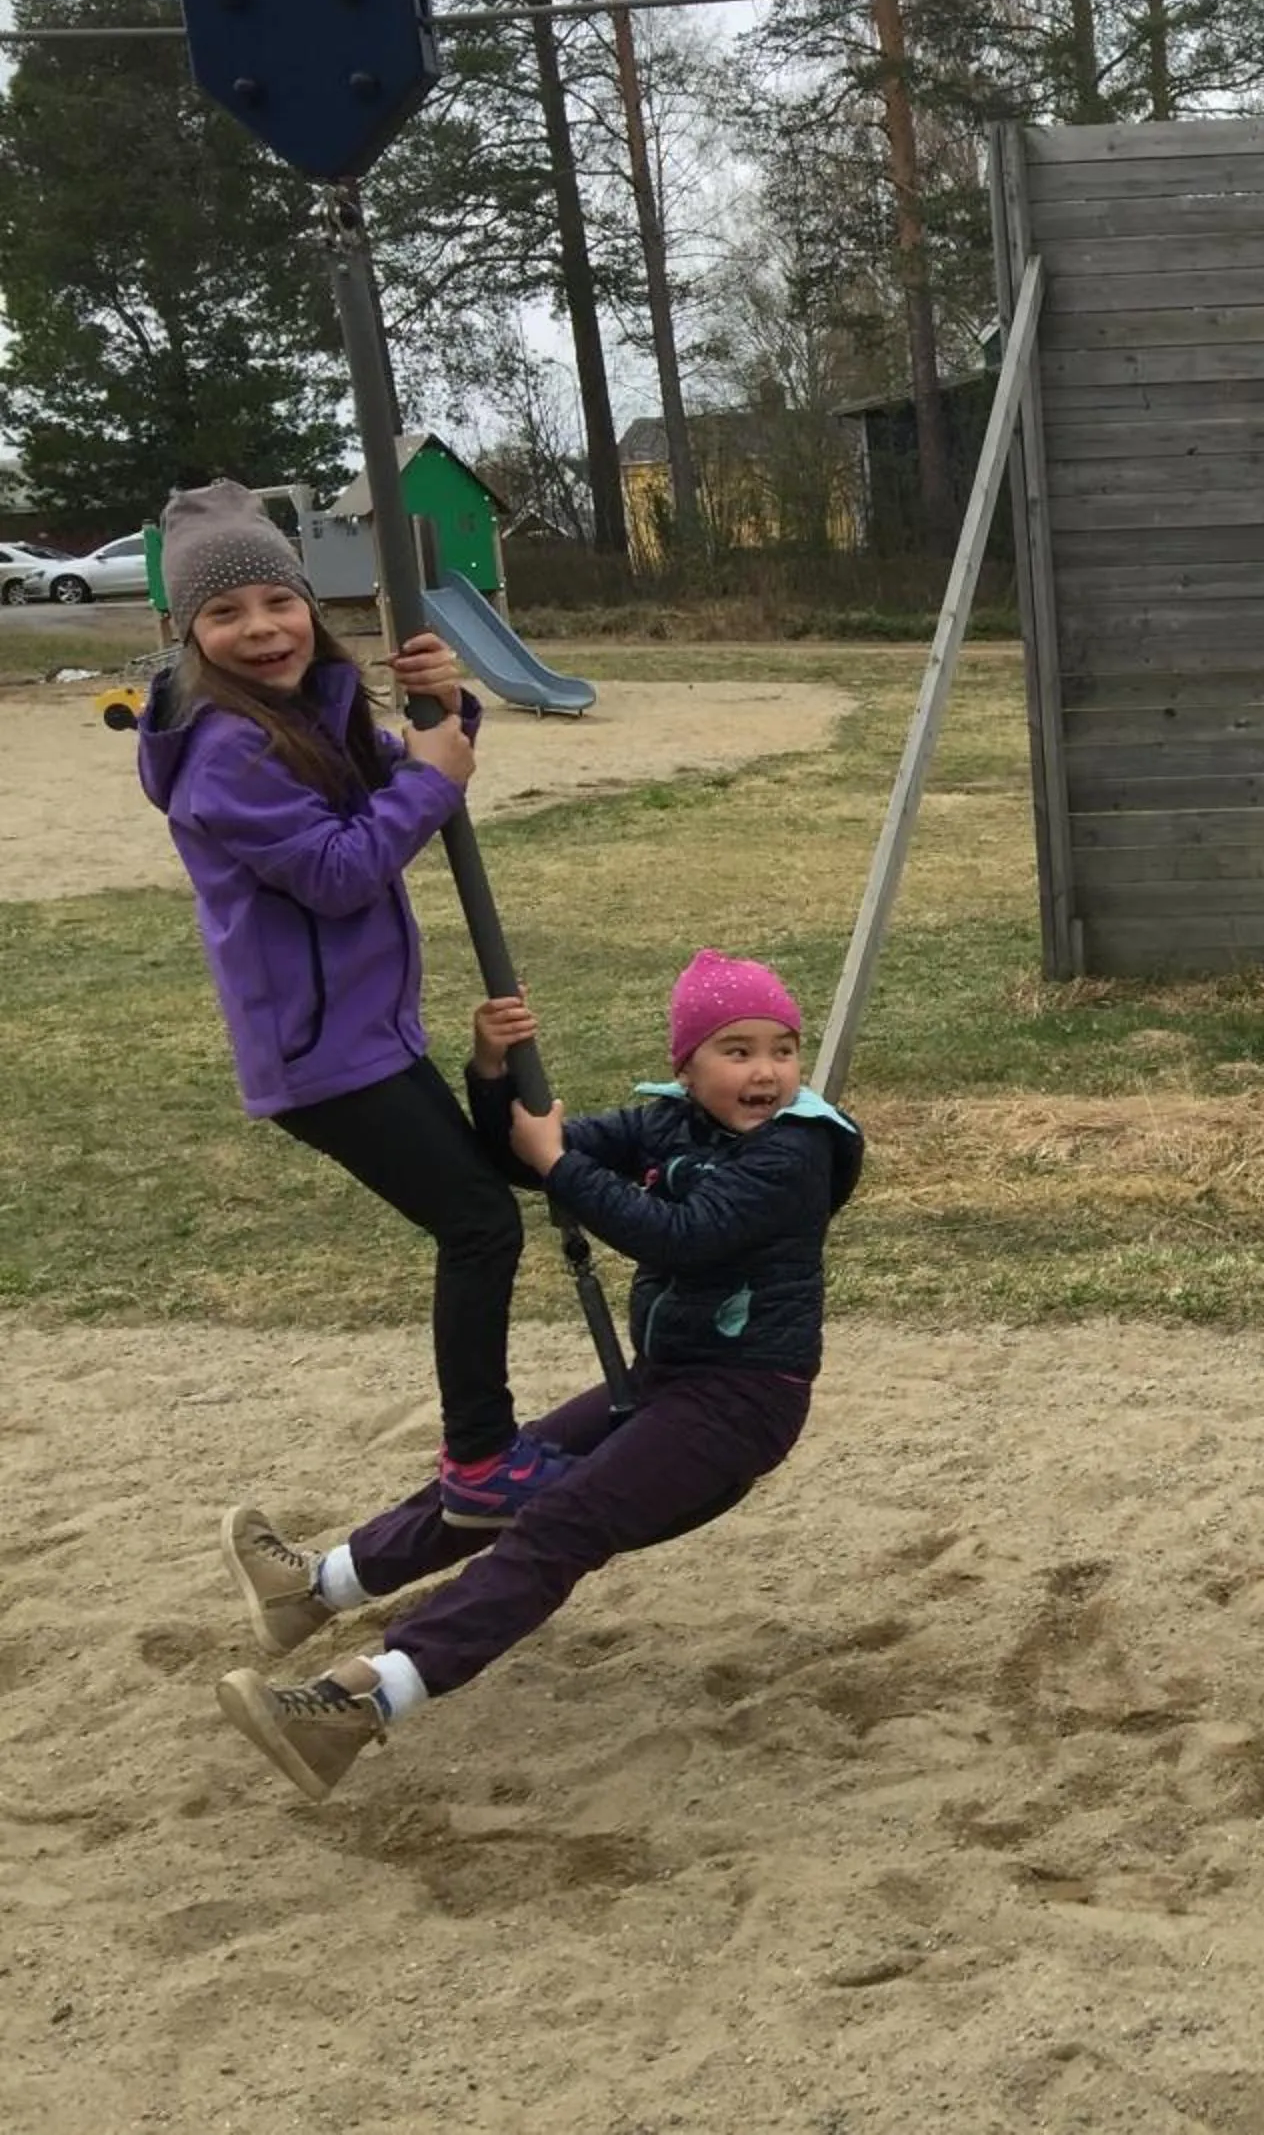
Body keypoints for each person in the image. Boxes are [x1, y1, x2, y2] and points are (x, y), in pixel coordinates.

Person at [212, 951, 865, 1799]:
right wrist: (492, 1069)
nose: (766, 1072)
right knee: (498, 1480)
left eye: (781, 1049)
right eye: (736, 1051)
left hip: (743, 1401)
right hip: (669, 1377)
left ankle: (366, 1703)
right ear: (687, 1065)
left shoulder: (799, 1151)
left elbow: (682, 1236)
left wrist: (563, 1166)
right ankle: (321, 1586)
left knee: (557, 1523)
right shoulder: (664, 1124)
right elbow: (523, 1151)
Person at [136, 477, 556, 1527]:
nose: (261, 629)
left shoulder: (305, 707)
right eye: (224, 614)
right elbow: (336, 870)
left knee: (487, 1203)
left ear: (307, 604)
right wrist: (434, 778)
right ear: (187, 632)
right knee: (478, 1225)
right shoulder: (221, 753)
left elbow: (411, 763)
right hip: (318, 1055)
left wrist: (443, 701)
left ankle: (482, 1456)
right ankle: (479, 1463)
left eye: (276, 602)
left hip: (365, 1029)